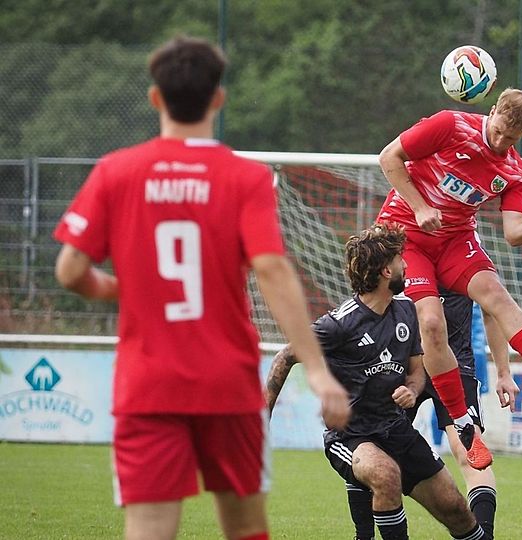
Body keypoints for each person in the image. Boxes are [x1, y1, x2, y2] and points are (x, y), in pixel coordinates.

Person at [52, 36, 350, 540]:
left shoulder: (115, 172)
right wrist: (318, 373)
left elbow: (69, 270)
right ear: (218, 98)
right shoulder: (246, 178)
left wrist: (119, 290)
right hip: (228, 388)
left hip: (147, 388)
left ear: (154, 98)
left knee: (148, 529)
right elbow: (274, 272)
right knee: (246, 528)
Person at [377, 87, 522, 470]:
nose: (501, 140)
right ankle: (463, 424)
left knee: (495, 294)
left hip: (455, 239)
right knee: (430, 323)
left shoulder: (515, 171)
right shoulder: (449, 125)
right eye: (500, 130)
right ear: (492, 111)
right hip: (407, 234)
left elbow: (514, 233)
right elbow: (389, 157)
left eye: (512, 137)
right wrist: (420, 206)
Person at [265, 223, 489, 540]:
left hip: (396, 429)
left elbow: (416, 371)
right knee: (385, 475)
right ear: (386, 271)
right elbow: (285, 357)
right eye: (401, 259)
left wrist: (411, 390)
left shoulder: (408, 312)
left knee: (457, 510)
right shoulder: (338, 325)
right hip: (350, 435)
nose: (407, 265)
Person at [342, 290, 518, 540]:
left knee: (470, 453)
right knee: (371, 446)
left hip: (455, 368)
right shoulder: (399, 259)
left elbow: (492, 310)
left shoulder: (467, 255)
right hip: (403, 367)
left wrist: (503, 372)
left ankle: (483, 535)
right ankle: (364, 535)